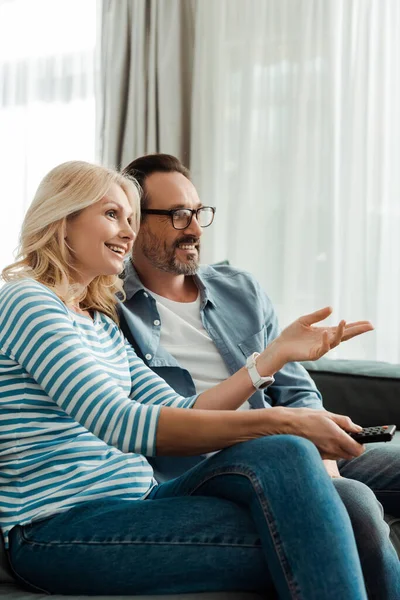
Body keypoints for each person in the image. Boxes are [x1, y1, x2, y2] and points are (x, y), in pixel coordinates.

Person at [0, 161, 389, 599]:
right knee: (327, 524)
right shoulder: (27, 300)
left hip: (140, 499)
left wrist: (272, 360)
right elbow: (120, 423)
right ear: (62, 220)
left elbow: (184, 410)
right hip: (57, 527)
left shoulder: (97, 323)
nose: (128, 232)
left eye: (130, 218)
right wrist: (284, 419)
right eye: (112, 215)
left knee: (288, 453)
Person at [119, 153, 400, 599]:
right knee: (357, 506)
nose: (193, 228)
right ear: (132, 224)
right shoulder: (111, 310)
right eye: (176, 215)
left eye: (197, 212)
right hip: (214, 464)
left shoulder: (239, 289)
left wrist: (322, 455)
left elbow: (297, 391)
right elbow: (155, 424)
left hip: (295, 442)